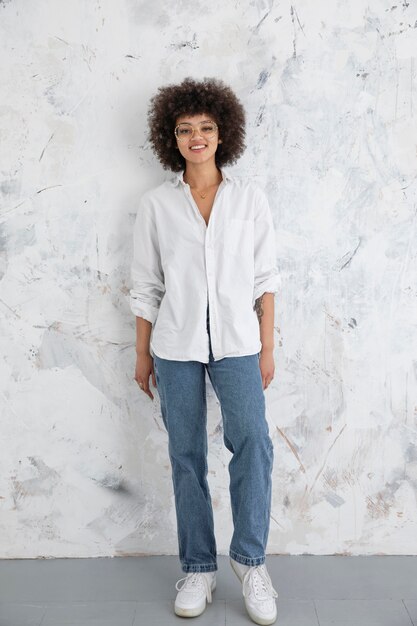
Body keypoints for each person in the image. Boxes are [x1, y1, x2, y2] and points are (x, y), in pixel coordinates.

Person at [130, 77, 280, 625]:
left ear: (224, 134)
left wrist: (266, 348)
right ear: (172, 138)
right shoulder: (156, 205)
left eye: (206, 128)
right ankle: (198, 566)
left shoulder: (249, 200)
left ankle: (250, 561)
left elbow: (266, 281)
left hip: (239, 344)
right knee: (186, 457)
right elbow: (146, 285)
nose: (197, 137)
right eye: (185, 129)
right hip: (174, 346)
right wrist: (143, 354)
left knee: (255, 446)